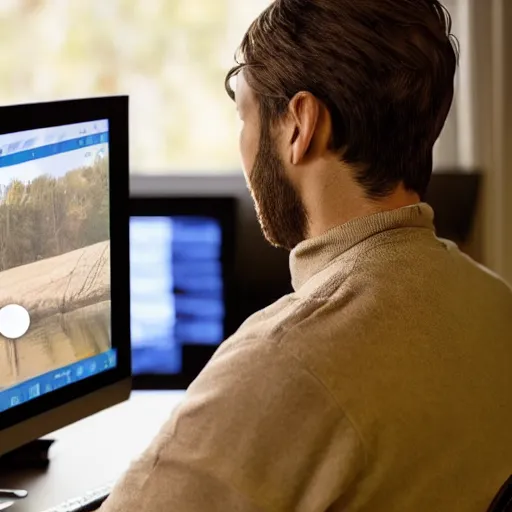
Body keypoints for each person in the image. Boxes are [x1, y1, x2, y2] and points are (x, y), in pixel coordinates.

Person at [101, 1, 512, 510]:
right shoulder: (496, 305)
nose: (244, 148)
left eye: (244, 117)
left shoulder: (283, 361)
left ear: (300, 124)